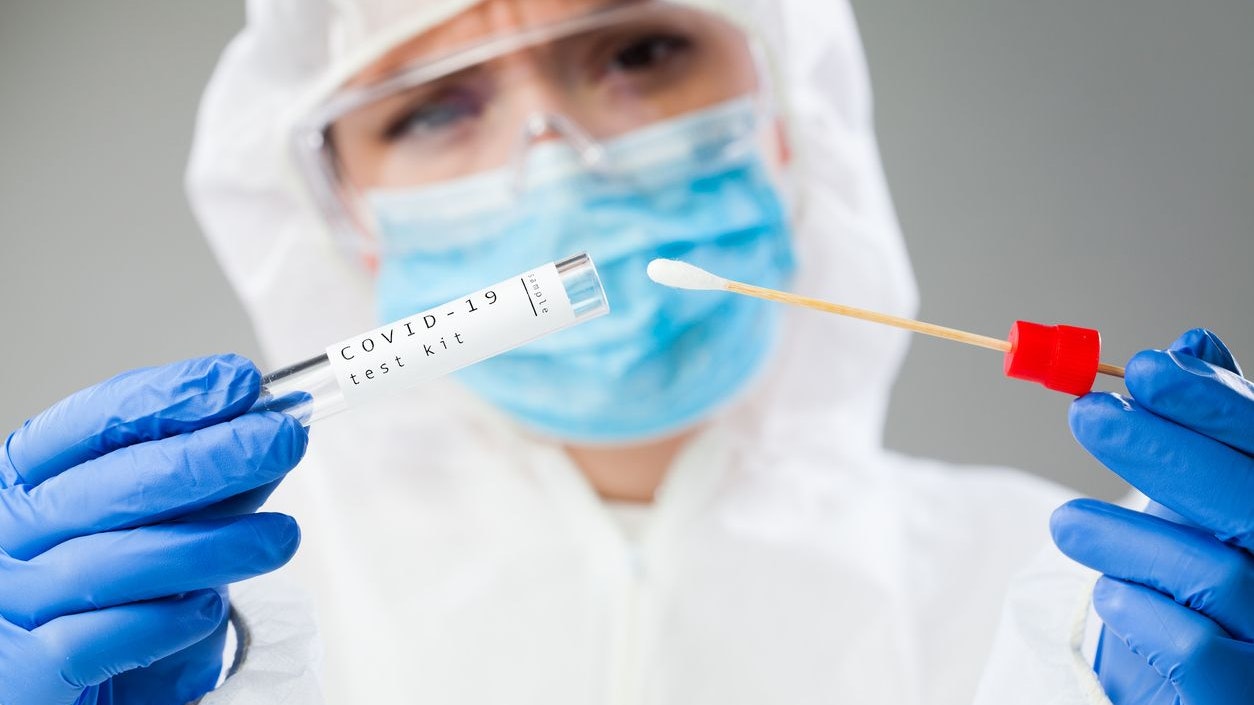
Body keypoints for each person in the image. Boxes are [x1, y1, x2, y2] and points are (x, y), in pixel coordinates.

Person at [1, 1, 1250, 704]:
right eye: (435, 105)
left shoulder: (1086, 603)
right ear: (342, 221)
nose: (557, 157)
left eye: (639, 51)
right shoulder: (209, 622)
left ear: (788, 112)